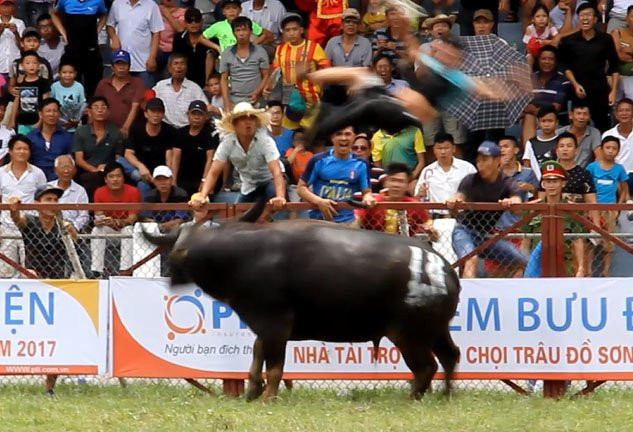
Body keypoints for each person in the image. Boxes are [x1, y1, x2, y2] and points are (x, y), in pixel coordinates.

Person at [8, 183, 75, 397]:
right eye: (48, 199)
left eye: (55, 200)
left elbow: (75, 244)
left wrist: (72, 232)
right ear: (38, 203)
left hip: (57, 285)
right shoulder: (31, 222)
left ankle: (49, 387)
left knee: (56, 334)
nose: (52, 203)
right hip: (32, 284)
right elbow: (17, 218)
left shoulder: (63, 225)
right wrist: (14, 205)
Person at [447, 141, 526, 278]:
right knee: (471, 258)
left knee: (521, 260)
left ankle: (492, 284)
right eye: (478, 160)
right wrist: (454, 200)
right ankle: (468, 291)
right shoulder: (470, 180)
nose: (480, 164)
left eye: (485, 160)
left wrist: (511, 202)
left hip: (486, 236)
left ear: (497, 160)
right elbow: (459, 196)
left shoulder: (507, 182)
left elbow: (517, 201)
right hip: (464, 230)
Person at [192, 102, 286, 208]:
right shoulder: (227, 143)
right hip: (249, 185)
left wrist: (280, 196)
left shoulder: (265, 141)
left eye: (251, 118)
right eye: (243, 119)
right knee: (239, 213)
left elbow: (276, 171)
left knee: (272, 195)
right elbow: (214, 172)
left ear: (256, 122)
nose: (248, 122)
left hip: (270, 180)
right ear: (235, 124)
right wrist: (202, 196)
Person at [559, 3, 619, 132]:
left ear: (595, 19)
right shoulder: (569, 41)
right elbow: (565, 66)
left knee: (602, 125)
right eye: (581, 15)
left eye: (588, 15)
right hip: (578, 91)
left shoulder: (606, 39)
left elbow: (614, 66)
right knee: (577, 126)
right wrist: (575, 85)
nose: (585, 18)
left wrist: (613, 91)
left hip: (600, 89)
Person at [297, 125, 375, 224]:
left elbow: (366, 192)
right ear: (332, 138)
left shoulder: (362, 164)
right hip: (319, 221)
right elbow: (301, 188)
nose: (343, 138)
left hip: (348, 222)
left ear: (353, 137)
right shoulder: (317, 160)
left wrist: (368, 197)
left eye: (347, 134)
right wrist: (319, 201)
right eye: (339, 134)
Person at [523, 160, 585, 278]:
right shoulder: (533, 209)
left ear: (563, 183)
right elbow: (525, 240)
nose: (551, 185)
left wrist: (581, 267)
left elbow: (578, 240)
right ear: (543, 184)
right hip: (537, 264)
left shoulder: (572, 209)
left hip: (564, 264)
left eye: (555, 181)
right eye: (548, 181)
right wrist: (523, 266)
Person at [0, 135, 47, 278]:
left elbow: (43, 199)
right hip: (6, 227)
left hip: (30, 227)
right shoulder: (1, 173)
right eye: (18, 148)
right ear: (10, 151)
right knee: (5, 271)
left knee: (30, 269)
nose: (22, 152)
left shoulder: (38, 173)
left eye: (25, 149)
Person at [265, 13, 331, 108]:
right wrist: (268, 86)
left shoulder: (314, 47)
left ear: (301, 30)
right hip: (289, 99)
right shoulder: (280, 49)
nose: (291, 33)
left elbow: (327, 70)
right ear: (283, 32)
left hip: (310, 99)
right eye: (288, 30)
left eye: (294, 29)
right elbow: (275, 72)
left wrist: (311, 74)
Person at [356, 161, 437, 239]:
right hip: (375, 245)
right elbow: (356, 219)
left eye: (401, 181)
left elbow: (433, 234)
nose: (396, 185)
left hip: (406, 245)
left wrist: (430, 231)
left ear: (407, 185)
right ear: (386, 182)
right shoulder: (374, 203)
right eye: (393, 180)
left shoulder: (414, 205)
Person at [586, 136, 630, 276]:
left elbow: (624, 189)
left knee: (609, 241)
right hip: (593, 209)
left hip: (611, 210)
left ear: (618, 151)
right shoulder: (592, 167)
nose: (611, 151)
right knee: (591, 241)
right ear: (601, 149)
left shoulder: (619, 169)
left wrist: (618, 206)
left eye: (614, 148)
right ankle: (588, 271)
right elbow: (586, 188)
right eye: (608, 148)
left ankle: (606, 271)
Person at [90, 161, 141, 277]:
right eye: (111, 176)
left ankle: (125, 270)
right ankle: (97, 271)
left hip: (124, 229)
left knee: (128, 230)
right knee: (97, 230)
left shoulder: (133, 191)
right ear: (105, 179)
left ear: (123, 178)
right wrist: (101, 221)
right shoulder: (99, 192)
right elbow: (99, 215)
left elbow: (132, 219)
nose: (115, 180)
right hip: (109, 230)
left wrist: (118, 222)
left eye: (118, 176)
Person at [50, 0, 108, 97]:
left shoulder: (98, 1)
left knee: (94, 86)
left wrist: (96, 31)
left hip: (91, 48)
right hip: (72, 48)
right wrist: (63, 33)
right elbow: (53, 13)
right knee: (71, 85)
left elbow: (104, 14)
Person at [72, 96, 124, 199]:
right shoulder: (81, 131)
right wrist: (94, 169)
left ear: (108, 112)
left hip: (108, 170)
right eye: (96, 107)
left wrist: (107, 168)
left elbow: (118, 157)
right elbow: (79, 160)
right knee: (91, 178)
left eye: (103, 107)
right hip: (86, 171)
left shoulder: (115, 132)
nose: (100, 110)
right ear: (89, 112)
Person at [123, 97, 175, 198]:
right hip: (139, 168)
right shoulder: (136, 128)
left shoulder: (169, 130)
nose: (156, 114)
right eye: (153, 111)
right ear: (146, 114)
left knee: (143, 184)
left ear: (163, 114)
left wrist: (167, 176)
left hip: (159, 171)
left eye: (159, 111)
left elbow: (169, 157)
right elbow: (128, 153)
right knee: (121, 162)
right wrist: (141, 166)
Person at [106, 0, 165, 87]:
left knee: (145, 92)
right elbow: (110, 25)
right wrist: (114, 37)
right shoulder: (117, 4)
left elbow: (156, 32)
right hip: (122, 61)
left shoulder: (151, 5)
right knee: (122, 93)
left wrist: (152, 57)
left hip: (143, 63)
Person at [415, 133, 477, 213]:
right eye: (439, 148)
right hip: (436, 216)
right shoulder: (427, 171)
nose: (443, 152)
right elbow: (417, 197)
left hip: (462, 216)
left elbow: (478, 191)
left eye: (446, 148)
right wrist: (420, 193)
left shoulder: (468, 168)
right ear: (434, 150)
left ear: (454, 149)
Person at [219, 16, 270, 110]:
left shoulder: (260, 51)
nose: (241, 33)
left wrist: (257, 92)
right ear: (233, 33)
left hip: (257, 101)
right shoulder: (226, 53)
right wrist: (226, 104)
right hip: (235, 101)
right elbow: (224, 79)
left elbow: (266, 75)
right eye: (238, 30)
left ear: (250, 31)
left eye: (244, 30)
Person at [522, 45, 569, 144]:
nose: (547, 62)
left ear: (556, 61)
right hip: (534, 121)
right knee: (529, 117)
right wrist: (532, 110)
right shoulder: (530, 79)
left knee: (536, 116)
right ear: (538, 60)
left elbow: (555, 107)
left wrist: (535, 110)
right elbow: (524, 106)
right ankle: (529, 151)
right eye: (543, 59)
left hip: (555, 120)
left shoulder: (563, 80)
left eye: (551, 59)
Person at [172, 100, 218, 196]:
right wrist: (173, 180)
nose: (196, 117)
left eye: (200, 114)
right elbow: (176, 158)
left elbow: (210, 159)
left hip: (202, 179)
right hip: (182, 180)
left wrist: (205, 180)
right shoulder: (180, 133)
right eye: (193, 114)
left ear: (206, 116)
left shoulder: (211, 134)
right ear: (188, 115)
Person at [94, 50, 145, 137]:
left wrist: (125, 128)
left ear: (129, 66)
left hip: (130, 131)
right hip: (105, 130)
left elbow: (135, 107)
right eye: (118, 64)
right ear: (112, 67)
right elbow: (95, 106)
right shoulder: (103, 83)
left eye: (124, 64)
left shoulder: (137, 83)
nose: (121, 67)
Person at [152, 52, 209, 129]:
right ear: (169, 68)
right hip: (165, 128)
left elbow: (206, 107)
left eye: (182, 64)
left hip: (187, 129)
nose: (179, 67)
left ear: (186, 68)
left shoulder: (194, 88)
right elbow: (148, 97)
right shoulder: (160, 86)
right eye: (176, 63)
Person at [26, 98, 73, 180]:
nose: (52, 114)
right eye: (48, 111)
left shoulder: (67, 137)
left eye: (55, 111)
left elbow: (70, 161)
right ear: (40, 114)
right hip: (34, 178)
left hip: (59, 179)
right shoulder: (30, 137)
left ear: (59, 114)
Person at [202, 0, 272, 53]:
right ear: (223, 11)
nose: (231, 11)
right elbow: (201, 38)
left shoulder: (247, 22)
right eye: (228, 8)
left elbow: (264, 34)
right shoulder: (218, 26)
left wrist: (253, 44)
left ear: (240, 10)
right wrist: (217, 47)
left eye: (234, 8)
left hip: (246, 58)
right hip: (227, 59)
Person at [172, 7, 218, 89]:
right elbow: (175, 60)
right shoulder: (178, 38)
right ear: (185, 22)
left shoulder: (211, 38)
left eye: (197, 20)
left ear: (202, 21)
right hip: (185, 83)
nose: (193, 23)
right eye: (190, 21)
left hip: (207, 85)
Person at [9, 51, 50, 134]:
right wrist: (12, 120)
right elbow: (16, 102)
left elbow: (45, 103)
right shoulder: (20, 82)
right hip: (22, 121)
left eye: (34, 63)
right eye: (28, 63)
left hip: (37, 120)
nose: (31, 65)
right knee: (23, 140)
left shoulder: (43, 82)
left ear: (39, 65)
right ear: (22, 66)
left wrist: (41, 120)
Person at [48, 154, 89, 234]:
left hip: (72, 229)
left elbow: (84, 215)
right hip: (50, 228)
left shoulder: (80, 190)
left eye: (69, 167)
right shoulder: (48, 187)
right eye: (63, 167)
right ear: (56, 170)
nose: (66, 171)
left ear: (74, 170)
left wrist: (74, 227)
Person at [142, 165, 189, 231]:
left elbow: (180, 219)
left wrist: (162, 226)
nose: (163, 183)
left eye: (166, 179)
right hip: (154, 229)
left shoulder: (180, 194)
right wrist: (158, 226)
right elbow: (146, 218)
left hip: (176, 229)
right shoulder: (149, 196)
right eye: (159, 180)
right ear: (154, 181)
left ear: (171, 179)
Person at [557, 101, 601, 168]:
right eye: (578, 113)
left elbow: (599, 156)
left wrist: (590, 171)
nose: (581, 117)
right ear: (570, 115)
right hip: (560, 170)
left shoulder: (594, 133)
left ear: (589, 117)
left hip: (584, 172)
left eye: (585, 114)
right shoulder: (559, 132)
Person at [603, 98, 633, 193]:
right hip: (616, 176)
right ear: (616, 114)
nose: (624, 113)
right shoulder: (608, 135)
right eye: (621, 110)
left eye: (627, 110)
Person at [523, 105, 560, 179]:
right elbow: (527, 165)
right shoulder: (531, 143)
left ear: (557, 122)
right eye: (543, 121)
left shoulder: (561, 141)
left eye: (550, 121)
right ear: (538, 123)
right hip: (537, 182)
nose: (546, 125)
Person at [50, 59, 85, 132]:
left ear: (75, 74)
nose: (67, 75)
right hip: (58, 123)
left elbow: (82, 104)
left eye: (71, 72)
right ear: (59, 74)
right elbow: (51, 103)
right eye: (64, 72)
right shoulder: (54, 86)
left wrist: (76, 119)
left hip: (75, 124)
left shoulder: (79, 86)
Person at [0, 0, 25, 87]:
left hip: (15, 64)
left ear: (13, 7)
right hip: (1, 65)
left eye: (9, 6)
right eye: (4, 6)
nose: (6, 8)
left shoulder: (20, 23)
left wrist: (16, 33)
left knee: (14, 90)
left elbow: (22, 47)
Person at [611, 6, 633, 100]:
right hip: (618, 75)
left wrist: (630, 51)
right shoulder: (617, 32)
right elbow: (617, 55)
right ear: (626, 17)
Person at [36, 13, 65, 79]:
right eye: (42, 27)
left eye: (48, 26)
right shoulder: (38, 46)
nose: (45, 30)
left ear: (56, 26)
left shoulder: (65, 42)